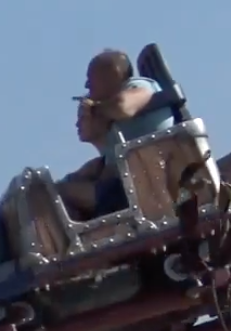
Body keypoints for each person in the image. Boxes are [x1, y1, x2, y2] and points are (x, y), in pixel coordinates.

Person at [57, 49, 171, 220]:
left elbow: (122, 106)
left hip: (146, 188)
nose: (87, 86)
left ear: (112, 75)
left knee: (58, 193)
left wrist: (94, 108)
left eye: (90, 79)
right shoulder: (117, 134)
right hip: (130, 189)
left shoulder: (140, 86)